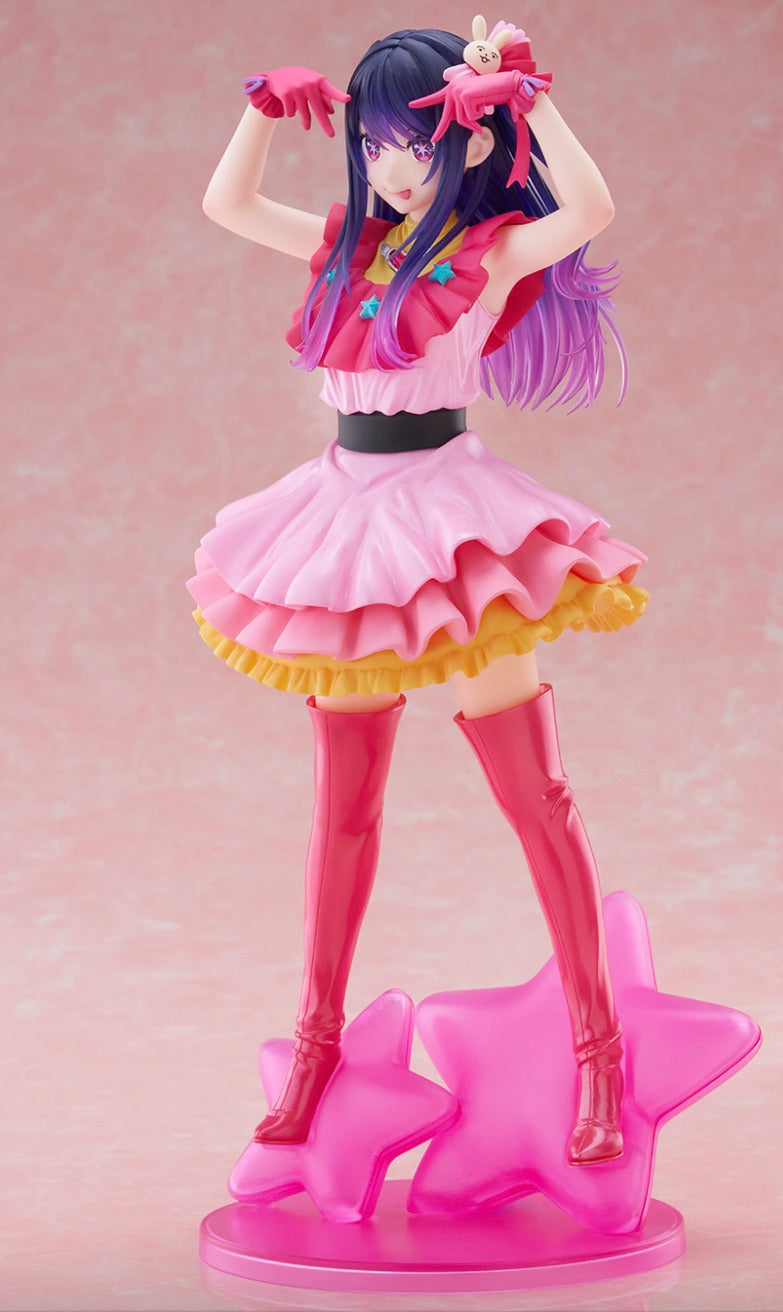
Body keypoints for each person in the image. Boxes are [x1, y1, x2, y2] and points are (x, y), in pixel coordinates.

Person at [189, 21, 648, 1166]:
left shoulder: (488, 251)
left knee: (533, 794)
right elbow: (226, 204)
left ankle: (598, 1052)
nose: (394, 167)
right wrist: (259, 107)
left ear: (463, 143)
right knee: (341, 807)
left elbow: (590, 206)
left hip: (452, 522)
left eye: (418, 143)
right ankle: (316, 1045)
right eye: (374, 143)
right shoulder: (346, 247)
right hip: (345, 524)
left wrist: (526, 99)